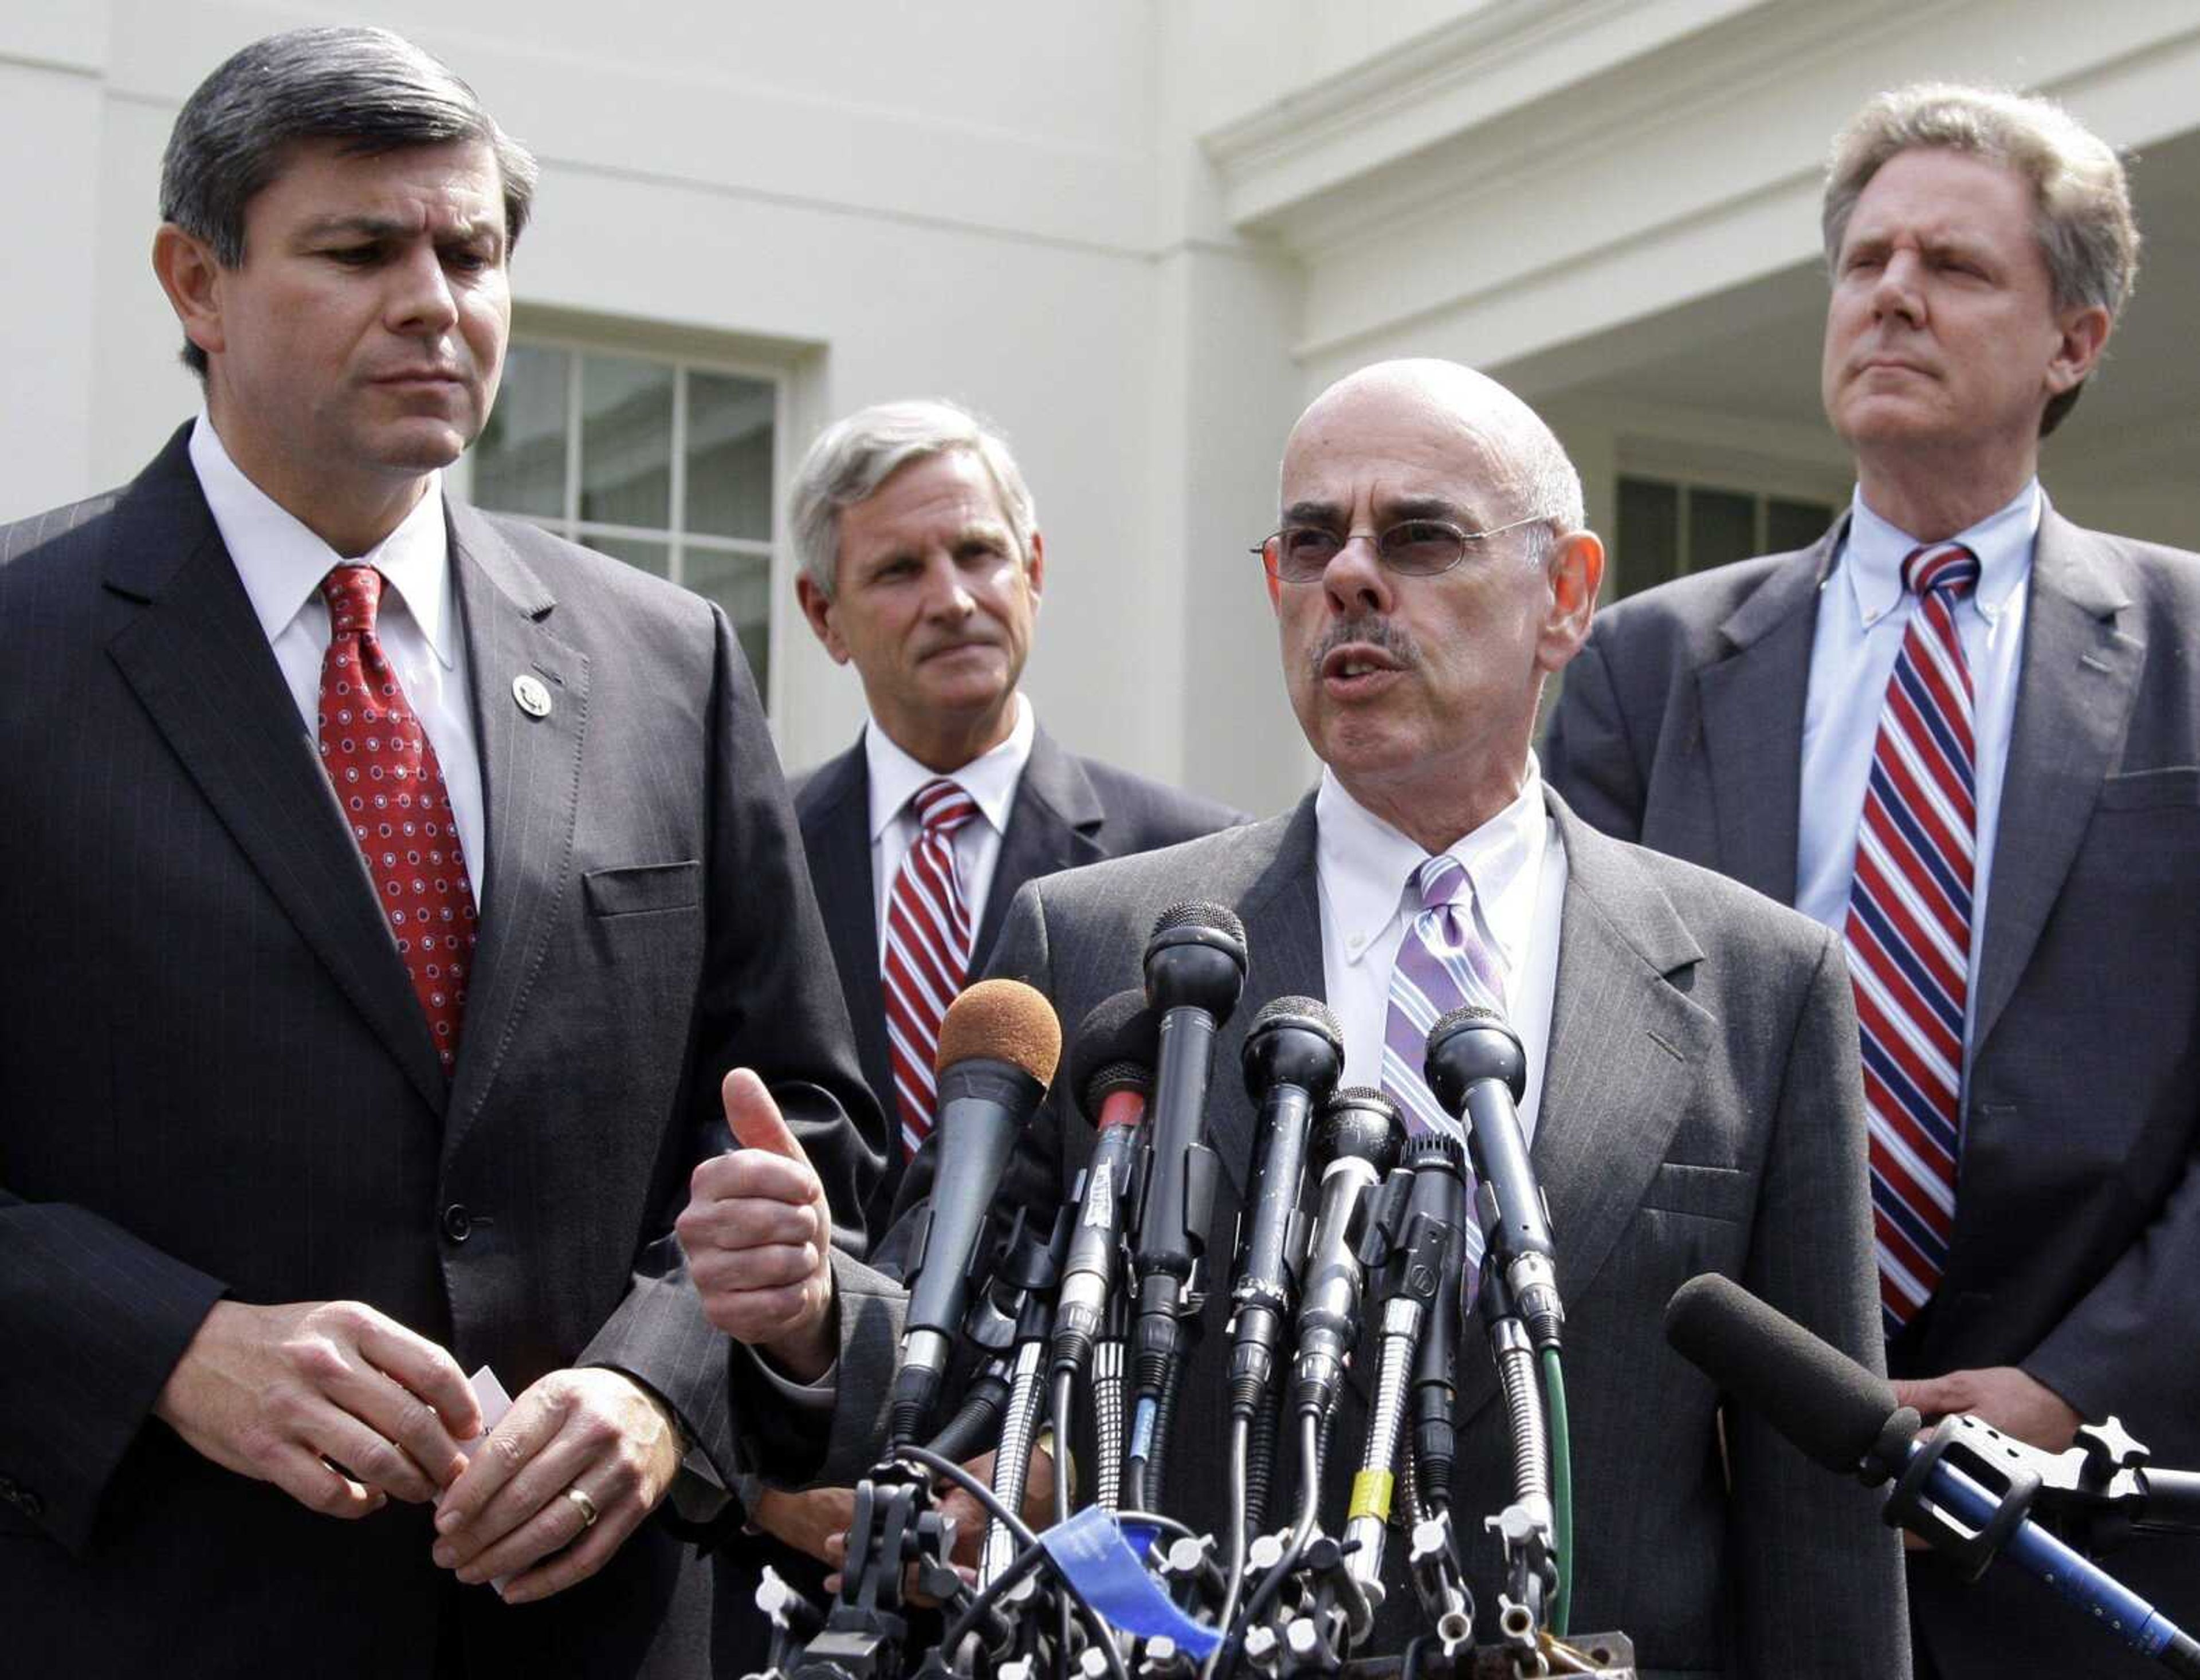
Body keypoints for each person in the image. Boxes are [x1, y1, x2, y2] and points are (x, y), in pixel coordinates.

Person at [685, 359, 1911, 1678]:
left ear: (1565, 597)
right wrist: (813, 1302)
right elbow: (955, 1348)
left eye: (1421, 536)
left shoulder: (1759, 980)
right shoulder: (1097, 940)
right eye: (1311, 541)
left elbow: (1824, 1526)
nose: (1350, 578)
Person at [0, 26, 878, 1678]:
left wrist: (654, 1381)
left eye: (470, 253)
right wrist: (167, 1342)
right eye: (361, 250)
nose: (436, 300)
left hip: (597, 1624)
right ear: (197, 280)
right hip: (151, 1609)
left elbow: (800, 1116)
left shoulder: (664, 657)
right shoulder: (20, 649)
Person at [1541, 82, 2200, 1680]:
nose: (1892, 291)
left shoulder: (2196, 655)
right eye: (1866, 260)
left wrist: (2068, 1383)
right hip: (1718, 1508)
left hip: (2092, 1523)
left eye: (1956, 267)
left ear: (2075, 341)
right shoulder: (1651, 664)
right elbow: (1572, 1064)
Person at [709, 398, 1241, 1666]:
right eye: (898, 569)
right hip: (782, 1553)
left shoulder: (1196, 866)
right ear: (822, 618)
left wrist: (1061, 1448)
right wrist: (767, 1479)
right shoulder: (738, 854)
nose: (951, 596)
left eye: (981, 555)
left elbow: (1213, 1206)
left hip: (1079, 1553)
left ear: (1038, 573)